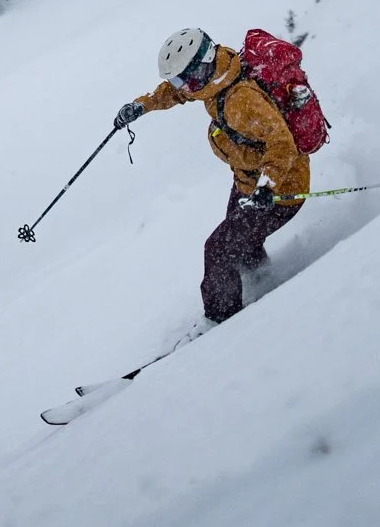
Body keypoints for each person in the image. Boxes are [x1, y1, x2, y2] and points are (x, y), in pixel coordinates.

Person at [114, 28, 310, 323]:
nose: (183, 87)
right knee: (240, 241)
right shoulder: (215, 78)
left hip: (281, 190)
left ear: (202, 64)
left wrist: (267, 187)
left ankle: (222, 322)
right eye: (178, 80)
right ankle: (264, 282)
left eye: (184, 79)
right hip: (249, 181)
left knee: (219, 249)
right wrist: (141, 106)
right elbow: (174, 93)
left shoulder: (240, 99)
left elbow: (282, 144)